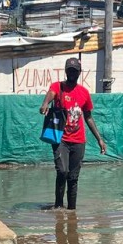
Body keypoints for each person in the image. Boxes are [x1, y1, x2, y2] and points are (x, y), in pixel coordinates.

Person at [39, 58, 107, 210]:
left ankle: (71, 212)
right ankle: (58, 206)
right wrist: (44, 104)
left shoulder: (84, 93)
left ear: (79, 73)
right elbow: (51, 94)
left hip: (78, 141)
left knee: (73, 178)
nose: (72, 73)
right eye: (69, 70)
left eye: (75, 71)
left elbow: (88, 117)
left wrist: (99, 139)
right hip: (60, 138)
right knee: (62, 171)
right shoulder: (58, 87)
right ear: (66, 71)